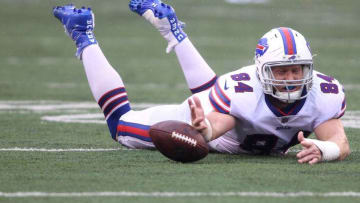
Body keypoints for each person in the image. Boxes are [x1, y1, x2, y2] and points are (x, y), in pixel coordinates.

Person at [53, 0, 350, 165]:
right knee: (119, 125)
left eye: (297, 70)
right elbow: (214, 128)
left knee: (209, 93)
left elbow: (339, 140)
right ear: (262, 71)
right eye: (281, 71)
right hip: (207, 127)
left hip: (216, 100)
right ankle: (83, 35)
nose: (290, 79)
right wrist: (201, 129)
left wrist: (327, 150)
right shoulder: (243, 92)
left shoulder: (324, 93)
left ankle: (172, 30)